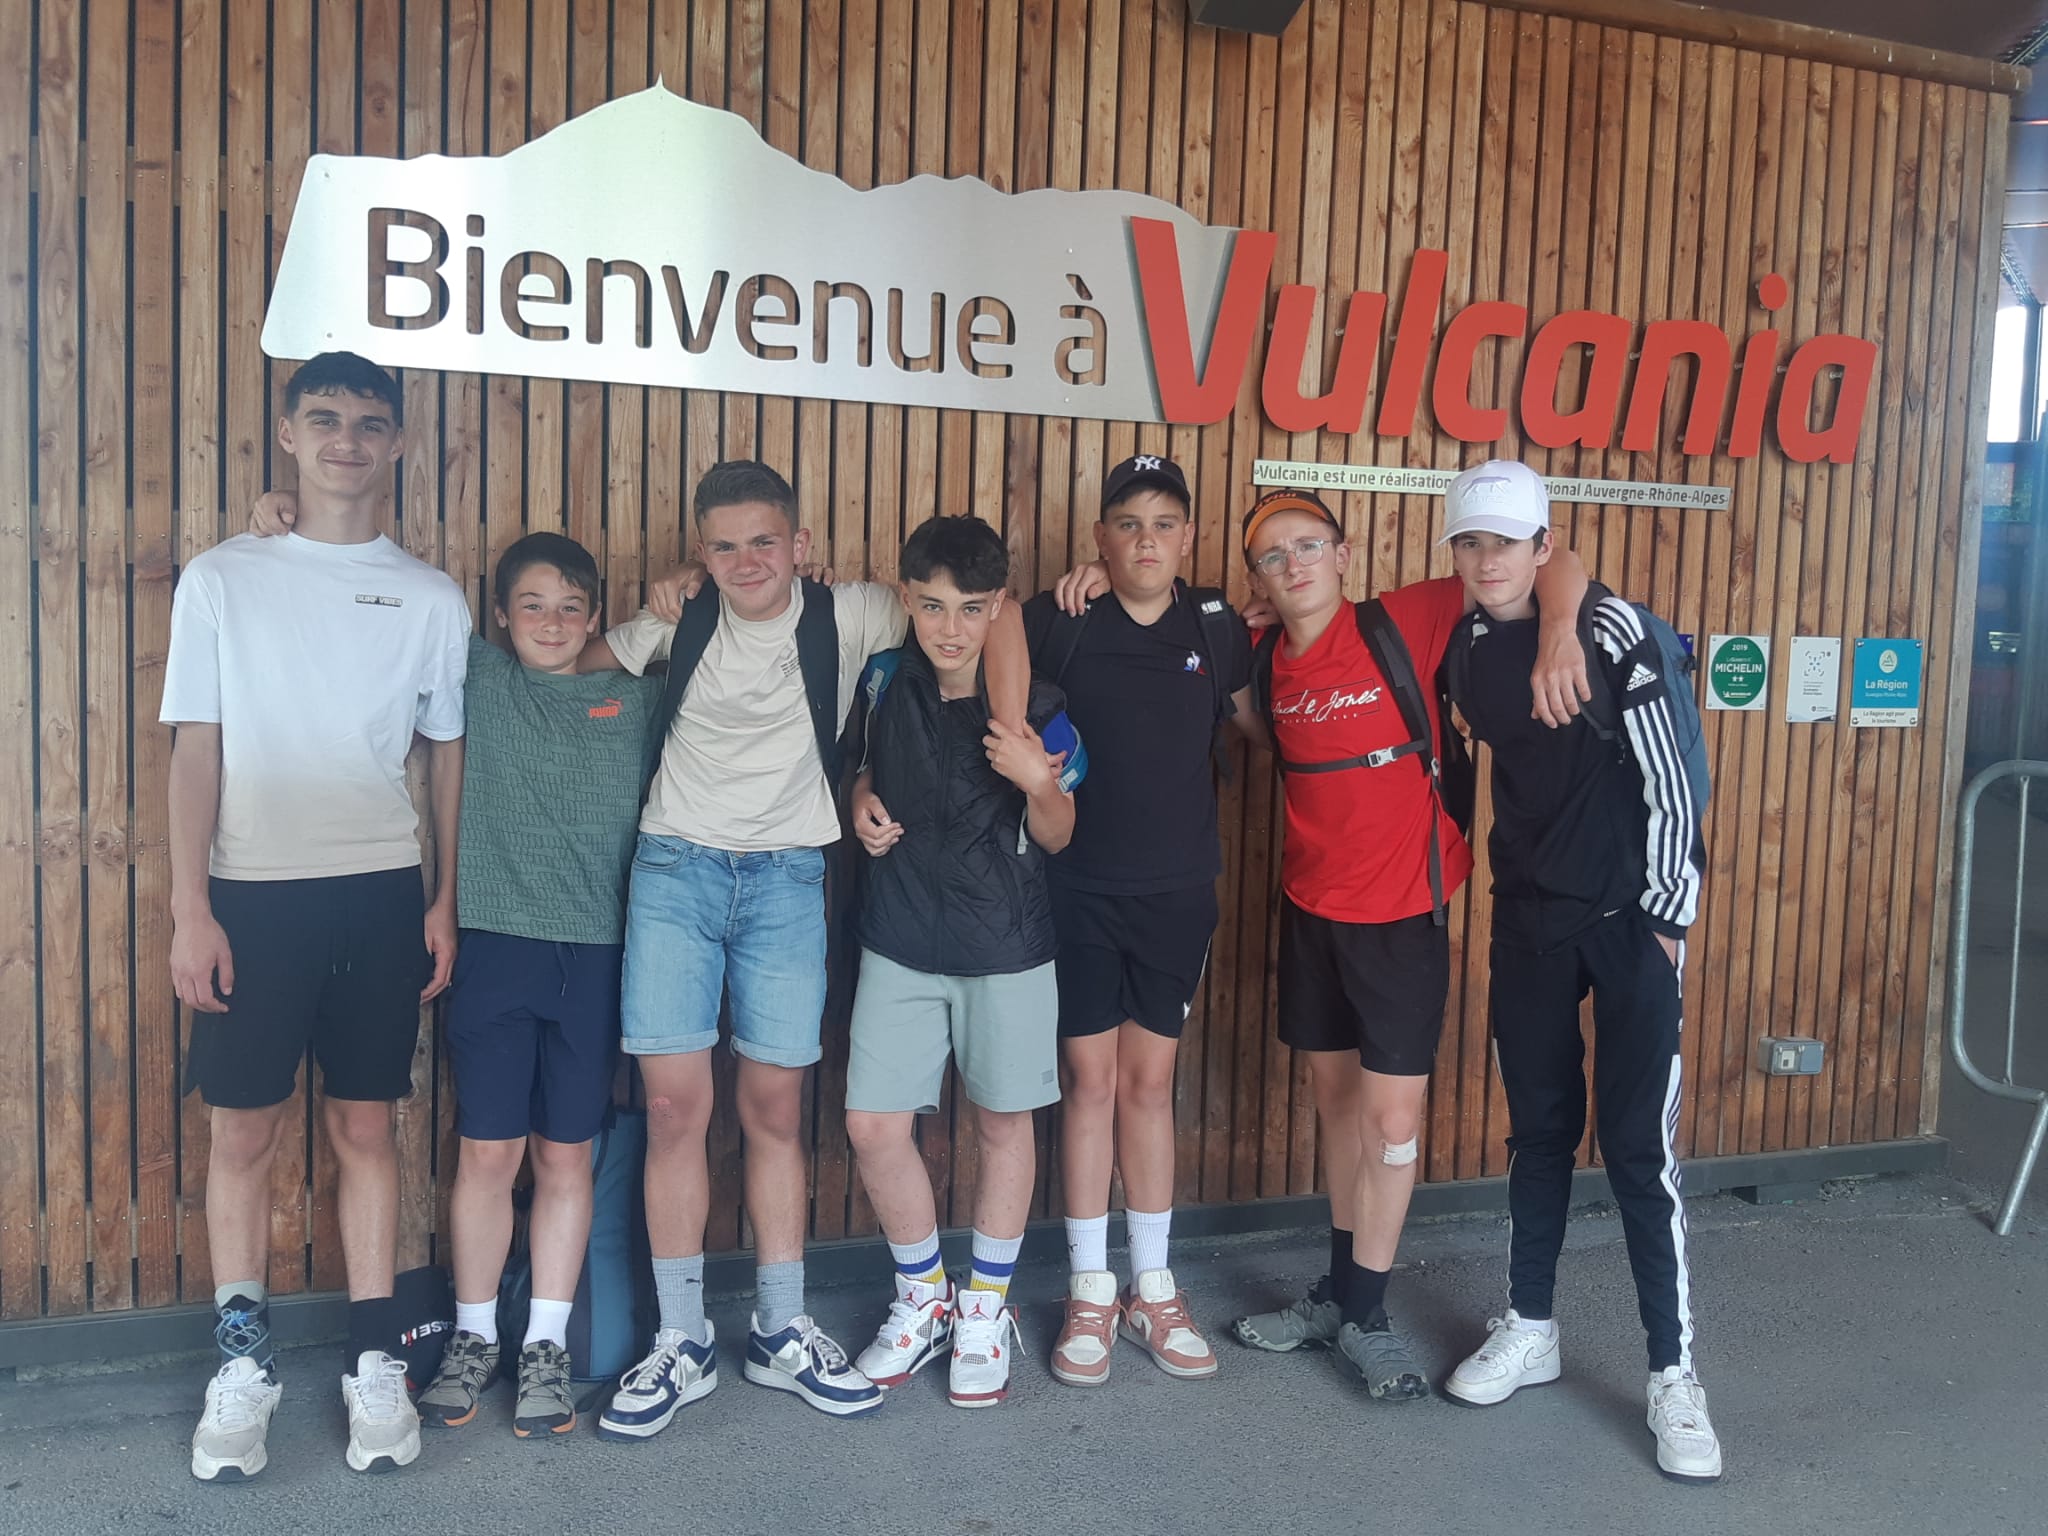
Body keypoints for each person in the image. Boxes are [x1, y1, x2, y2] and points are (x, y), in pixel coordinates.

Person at [575, 462, 1030, 1436]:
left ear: (801, 544)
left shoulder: (852, 612)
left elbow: (993, 602)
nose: (746, 561)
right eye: (723, 546)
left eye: (763, 541)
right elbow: (581, 665)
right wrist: (655, 600)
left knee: (774, 1109)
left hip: (787, 877)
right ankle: (682, 1339)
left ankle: (780, 1328)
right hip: (674, 870)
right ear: (700, 553)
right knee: (672, 1108)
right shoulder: (682, 617)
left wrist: (1017, 702)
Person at [165, 352, 469, 1480]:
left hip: (381, 893)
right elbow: (195, 749)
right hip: (250, 898)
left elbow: (446, 753)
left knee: (366, 1130)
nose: (348, 439)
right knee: (240, 1135)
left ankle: (374, 1361)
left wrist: (442, 897)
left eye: (370, 422)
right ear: (289, 435)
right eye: (326, 418)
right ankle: (241, 1368)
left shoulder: (432, 597)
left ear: (396, 443)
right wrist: (190, 908)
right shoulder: (222, 577)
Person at [1225, 484, 1588, 1402]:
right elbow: (1254, 724)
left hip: (1401, 916)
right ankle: (1339, 1297)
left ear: (1343, 555)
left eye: (1309, 545)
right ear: (1259, 577)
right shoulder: (1262, 655)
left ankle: (1368, 1314)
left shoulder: (1406, 619)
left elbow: (1553, 567)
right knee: (1338, 1108)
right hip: (1310, 910)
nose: (1294, 564)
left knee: (1390, 1125)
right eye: (1273, 555)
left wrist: (1559, 633)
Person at [1433, 461, 1720, 1481]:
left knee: (1639, 1151)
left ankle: (1673, 1375)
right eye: (1470, 543)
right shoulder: (1463, 643)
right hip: (1528, 923)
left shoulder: (1612, 631)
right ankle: (1532, 1325)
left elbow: (1676, 779)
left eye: (1505, 543)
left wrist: (1666, 922)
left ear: (1543, 546)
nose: (1486, 562)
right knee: (1539, 1135)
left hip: (1629, 922)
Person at [1023, 454, 1262, 1386]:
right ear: (1100, 538)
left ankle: (1152, 1286)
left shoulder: (1216, 627)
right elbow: (979, 652)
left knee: (1149, 1084)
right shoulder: (1061, 621)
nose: (1146, 540)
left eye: (1164, 524)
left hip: (1177, 894)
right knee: (1089, 1083)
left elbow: (1260, 724)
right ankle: (1090, 1287)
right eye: (1127, 524)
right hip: (1077, 889)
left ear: (1188, 537)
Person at [842, 514, 1083, 1408]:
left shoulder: (1040, 704)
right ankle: (924, 1301)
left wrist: (1037, 778)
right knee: (874, 1125)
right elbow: (858, 769)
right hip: (900, 935)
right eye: (934, 606)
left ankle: (983, 1308)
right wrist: (861, 800)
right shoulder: (881, 680)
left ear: (996, 606)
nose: (951, 627)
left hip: (1005, 944)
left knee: (1003, 1124)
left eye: (971, 608)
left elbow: (1059, 835)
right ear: (906, 599)